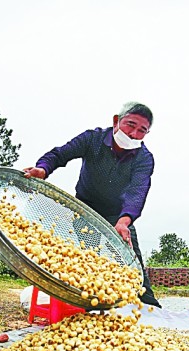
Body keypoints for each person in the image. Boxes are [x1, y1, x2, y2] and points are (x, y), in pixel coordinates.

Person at [24, 101, 161, 308]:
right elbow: (60, 154)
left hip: (118, 216)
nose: (134, 134)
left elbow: (137, 191)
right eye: (130, 125)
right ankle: (94, 308)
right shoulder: (93, 139)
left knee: (133, 264)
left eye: (142, 130)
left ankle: (149, 307)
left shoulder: (144, 158)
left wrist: (124, 221)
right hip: (85, 210)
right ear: (116, 121)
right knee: (91, 260)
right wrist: (43, 169)